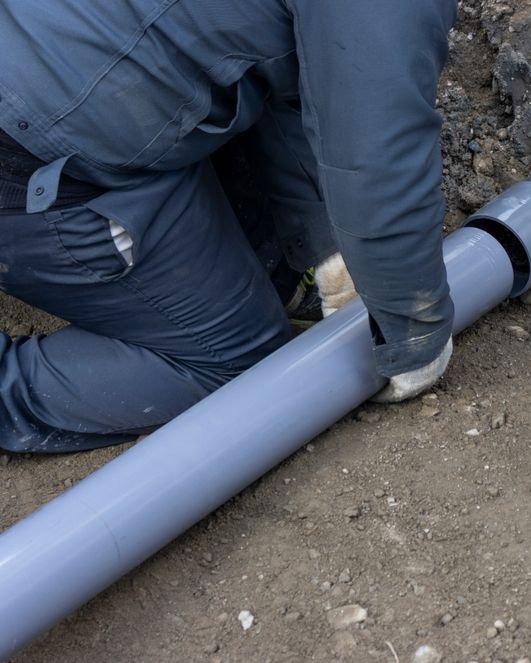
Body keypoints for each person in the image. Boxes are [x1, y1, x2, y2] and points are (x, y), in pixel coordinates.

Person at [0, 1, 457, 453]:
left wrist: (322, 243)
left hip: (49, 62)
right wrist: (414, 330)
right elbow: (378, 154)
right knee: (235, 366)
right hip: (32, 153)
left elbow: (315, 66)